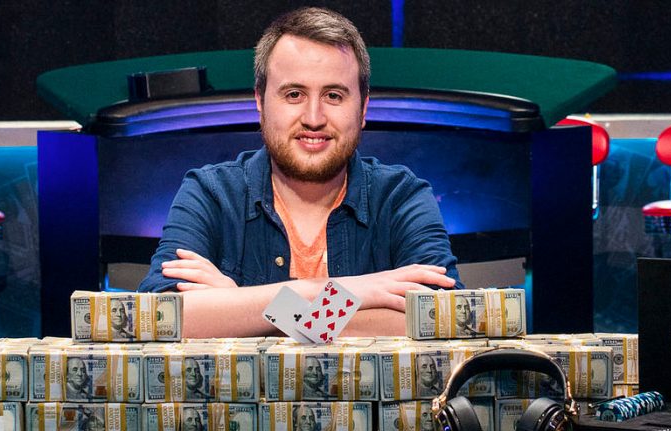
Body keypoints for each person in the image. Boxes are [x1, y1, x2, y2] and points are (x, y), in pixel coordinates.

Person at [138, 7, 461, 338]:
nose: (313, 118)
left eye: (333, 95)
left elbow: (443, 319)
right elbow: (161, 317)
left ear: (363, 108)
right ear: (260, 102)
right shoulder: (209, 193)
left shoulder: (402, 197)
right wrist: (342, 291)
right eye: (294, 94)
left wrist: (241, 307)